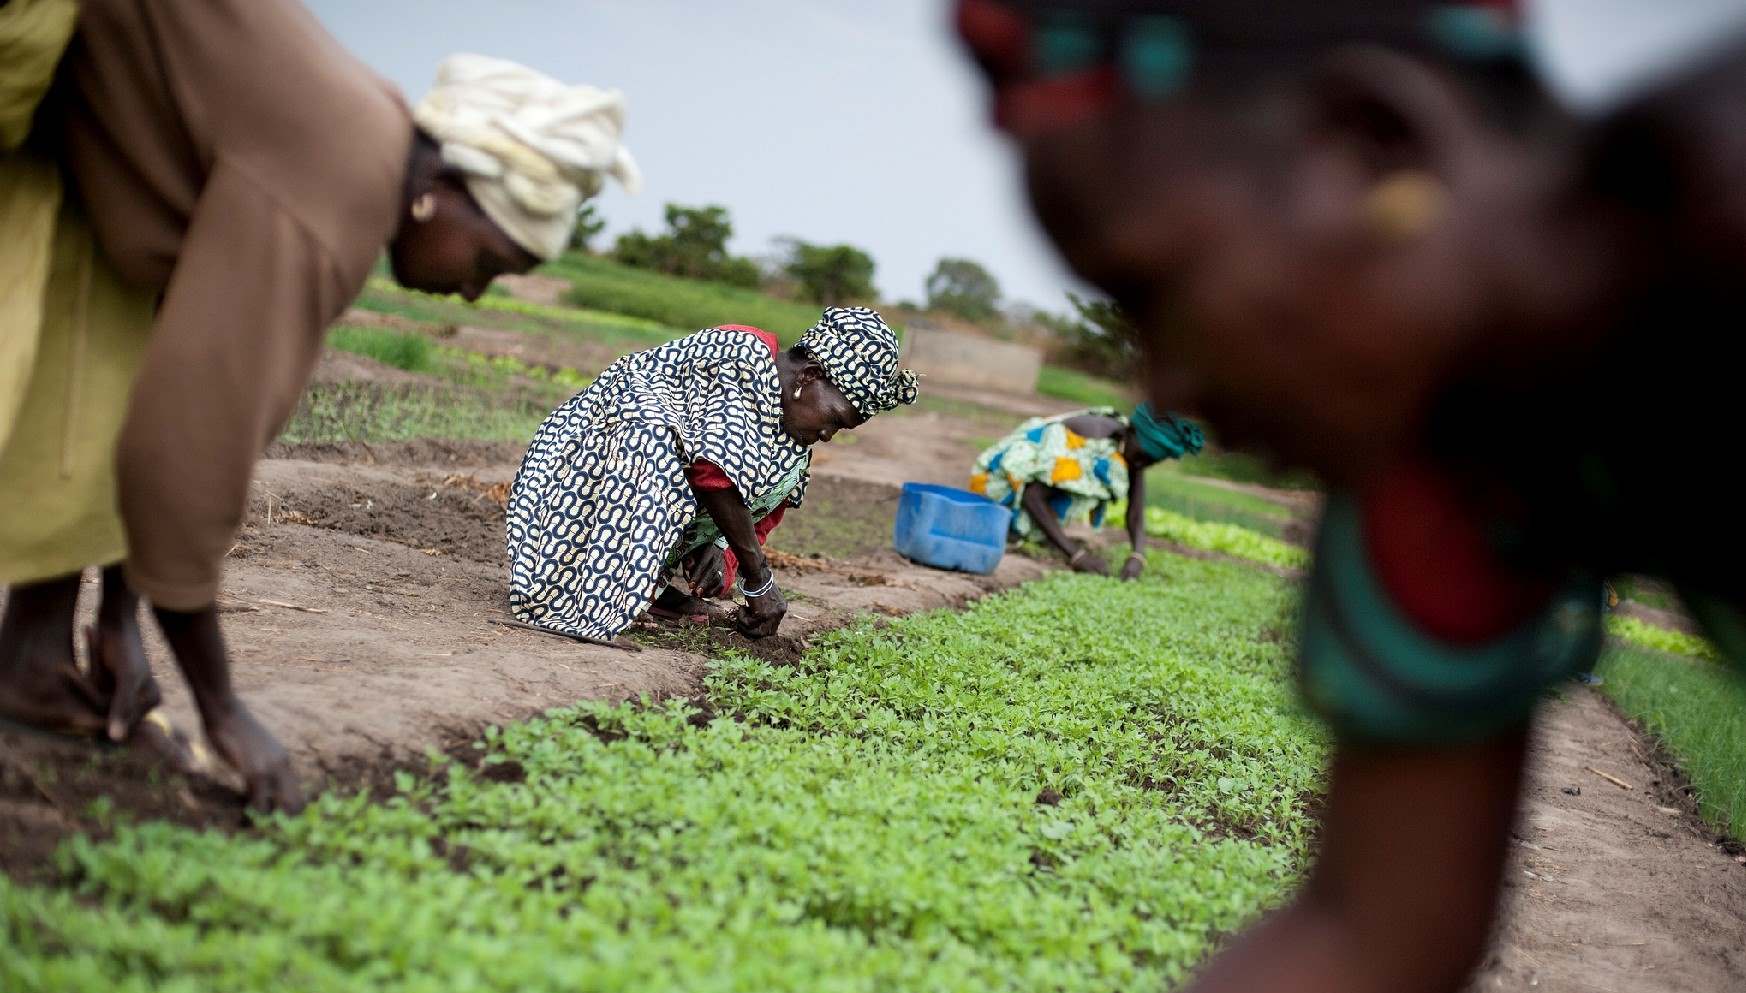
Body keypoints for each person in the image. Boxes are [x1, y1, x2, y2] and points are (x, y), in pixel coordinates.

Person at [920, 1, 1746, 993]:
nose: (1174, 388)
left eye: (1160, 287)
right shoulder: (1441, 460)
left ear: (1371, 143)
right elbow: (1370, 938)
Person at [0, 0, 639, 812]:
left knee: (93, 366)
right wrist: (223, 711)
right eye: (490, 261)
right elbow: (193, 444)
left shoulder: (367, 149)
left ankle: (33, 661)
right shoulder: (337, 183)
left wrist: (119, 617)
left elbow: (162, 357)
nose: (475, 292)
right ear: (441, 191)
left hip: (84, 114)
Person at [507, 307, 919, 644]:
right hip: (579, 473)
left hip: (650, 483)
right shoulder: (742, 353)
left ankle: (643, 588)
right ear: (810, 376)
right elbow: (713, 470)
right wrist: (759, 580)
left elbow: (758, 509)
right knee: (653, 439)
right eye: (834, 419)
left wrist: (723, 551)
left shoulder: (788, 434)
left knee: (784, 469)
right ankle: (585, 589)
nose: (828, 435)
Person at [970, 403, 1201, 578]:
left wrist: (1138, 556)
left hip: (1035, 494)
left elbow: (1135, 511)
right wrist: (1076, 555)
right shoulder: (1091, 437)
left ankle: (1041, 533)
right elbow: (1032, 495)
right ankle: (1013, 528)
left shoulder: (1133, 451)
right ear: (1129, 433)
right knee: (1008, 521)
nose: (1140, 466)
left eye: (1149, 463)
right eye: (1141, 458)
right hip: (1000, 488)